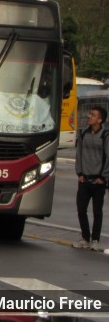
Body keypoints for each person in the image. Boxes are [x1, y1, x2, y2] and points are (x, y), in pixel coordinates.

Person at [73, 106, 109, 250]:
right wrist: (80, 173)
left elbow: (108, 157)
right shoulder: (82, 133)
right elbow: (79, 155)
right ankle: (85, 238)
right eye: (89, 114)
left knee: (97, 211)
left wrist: (103, 177)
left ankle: (95, 240)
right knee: (81, 209)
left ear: (100, 120)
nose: (89, 116)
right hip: (84, 178)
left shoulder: (105, 135)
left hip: (98, 180)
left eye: (93, 115)